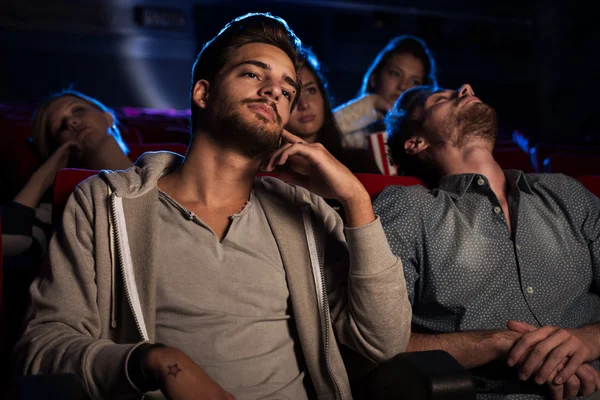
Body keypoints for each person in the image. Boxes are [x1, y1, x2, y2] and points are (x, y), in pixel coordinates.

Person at [13, 13, 411, 400]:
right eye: (254, 74)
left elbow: (383, 342)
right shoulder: (103, 202)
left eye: (287, 90)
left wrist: (356, 200)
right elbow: (42, 347)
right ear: (203, 93)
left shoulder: (306, 211)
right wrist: (156, 362)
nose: (275, 91)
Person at [372, 84, 600, 399]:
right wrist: (499, 343)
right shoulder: (410, 207)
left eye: (461, 89)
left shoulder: (567, 193)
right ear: (416, 142)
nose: (465, 88)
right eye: (441, 98)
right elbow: (374, 344)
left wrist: (590, 339)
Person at [1, 90, 132, 264]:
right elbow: (9, 239)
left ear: (108, 117)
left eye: (78, 110)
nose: (71, 121)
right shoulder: (60, 208)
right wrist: (44, 175)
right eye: (61, 128)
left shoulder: (166, 170)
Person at [286, 46, 379, 174]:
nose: (304, 104)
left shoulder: (359, 162)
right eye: (291, 95)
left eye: (311, 90)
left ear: (323, 96)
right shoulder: (264, 173)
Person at [333, 35, 437, 150]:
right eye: (395, 74)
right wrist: (368, 104)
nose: (403, 86)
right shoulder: (351, 138)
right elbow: (317, 137)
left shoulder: (425, 146)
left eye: (414, 82)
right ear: (374, 78)